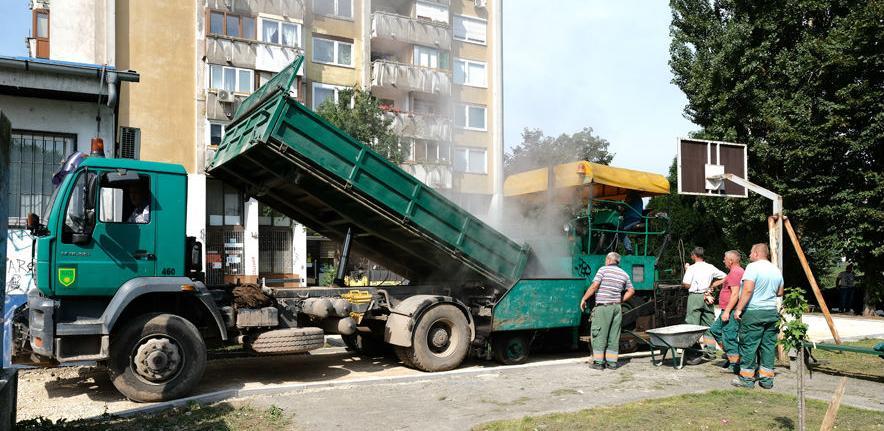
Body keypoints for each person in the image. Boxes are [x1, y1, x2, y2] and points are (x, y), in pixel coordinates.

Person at [732, 243, 784, 389]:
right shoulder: (776, 269)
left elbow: (748, 290)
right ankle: (766, 380)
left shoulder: (752, 267)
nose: (748, 256)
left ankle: (747, 380)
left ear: (756, 253)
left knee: (749, 345)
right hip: (771, 312)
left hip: (754, 312)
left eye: (750, 253)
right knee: (767, 346)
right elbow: (780, 292)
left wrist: (738, 309)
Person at [580, 252, 635, 370]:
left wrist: (584, 298)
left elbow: (594, 286)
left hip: (603, 307)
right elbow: (631, 291)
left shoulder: (603, 270)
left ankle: (599, 363)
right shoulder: (624, 274)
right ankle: (612, 363)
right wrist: (620, 301)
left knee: (599, 333)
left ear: (609, 260)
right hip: (616, 308)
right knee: (613, 335)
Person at [682, 246, 726, 363]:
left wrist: (687, 270)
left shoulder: (691, 268)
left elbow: (686, 284)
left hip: (695, 297)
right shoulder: (710, 267)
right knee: (708, 325)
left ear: (694, 256)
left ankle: (692, 353)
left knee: (692, 326)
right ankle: (710, 353)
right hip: (707, 296)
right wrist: (711, 286)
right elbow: (725, 277)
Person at [708, 250, 744, 372]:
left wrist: (727, 311)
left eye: (724, 259)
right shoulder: (734, 272)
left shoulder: (735, 273)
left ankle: (735, 365)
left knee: (729, 336)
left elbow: (735, 294)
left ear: (731, 261)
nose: (723, 261)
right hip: (727, 309)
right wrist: (712, 285)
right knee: (715, 330)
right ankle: (731, 355)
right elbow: (724, 281)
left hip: (731, 309)